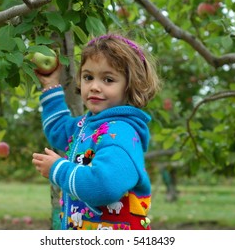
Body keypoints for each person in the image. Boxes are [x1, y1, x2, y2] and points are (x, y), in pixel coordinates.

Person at [32, 34, 161, 230]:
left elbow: (103, 186)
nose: (94, 87)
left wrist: (58, 170)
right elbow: (58, 128)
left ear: (130, 85)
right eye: (88, 77)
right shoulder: (88, 125)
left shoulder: (121, 133)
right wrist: (50, 85)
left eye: (108, 79)